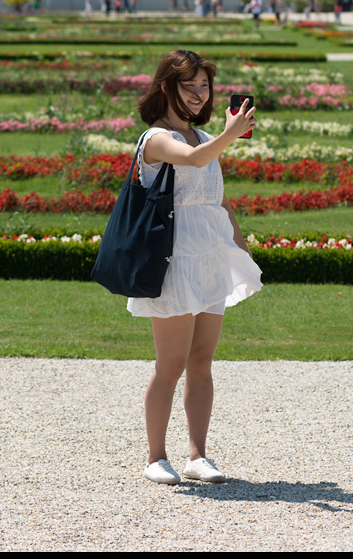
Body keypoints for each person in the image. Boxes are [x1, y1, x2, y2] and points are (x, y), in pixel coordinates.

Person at [131, 49, 262, 486]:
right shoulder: (156, 138)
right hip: (173, 258)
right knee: (169, 365)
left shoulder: (205, 137)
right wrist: (229, 134)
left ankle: (198, 455)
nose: (197, 94)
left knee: (202, 360)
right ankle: (155, 456)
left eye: (203, 86)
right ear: (166, 86)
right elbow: (191, 161)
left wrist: (239, 249)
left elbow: (219, 199)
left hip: (208, 255)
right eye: (188, 86)